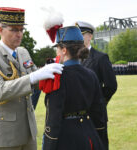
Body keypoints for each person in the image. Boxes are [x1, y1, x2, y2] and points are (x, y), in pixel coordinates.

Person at [0, 7, 63, 150]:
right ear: (0, 30)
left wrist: (56, 63)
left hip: (28, 130)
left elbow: (38, 81)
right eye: (14, 30)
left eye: (22, 30)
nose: (19, 34)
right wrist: (32, 77)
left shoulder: (23, 52)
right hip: (5, 134)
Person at [42, 26, 105, 150]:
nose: (57, 52)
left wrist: (48, 146)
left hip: (67, 139)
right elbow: (99, 113)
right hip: (90, 135)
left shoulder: (58, 77)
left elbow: (53, 118)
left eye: (58, 48)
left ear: (64, 50)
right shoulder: (91, 74)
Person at [75, 21, 117, 150]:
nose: (79, 39)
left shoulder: (100, 57)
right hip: (76, 115)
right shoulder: (72, 58)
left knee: (99, 146)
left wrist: (99, 102)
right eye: (76, 35)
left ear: (90, 36)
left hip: (95, 114)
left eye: (81, 35)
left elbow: (111, 85)